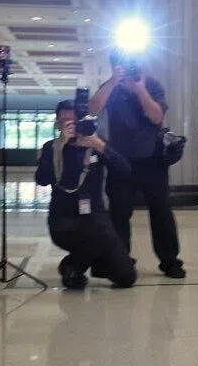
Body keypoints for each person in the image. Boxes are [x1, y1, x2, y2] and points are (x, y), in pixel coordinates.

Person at [88, 54, 186, 279]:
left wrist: (140, 89)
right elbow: (93, 109)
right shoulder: (110, 87)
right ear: (114, 66)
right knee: (118, 213)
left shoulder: (151, 85)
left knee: (161, 211)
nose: (128, 68)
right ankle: (121, 260)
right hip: (119, 161)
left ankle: (170, 261)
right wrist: (113, 82)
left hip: (152, 161)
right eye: (120, 64)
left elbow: (156, 117)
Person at [35, 100, 137, 290]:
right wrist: (59, 148)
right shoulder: (52, 147)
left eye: (72, 120)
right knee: (103, 237)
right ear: (57, 123)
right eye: (63, 120)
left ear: (81, 120)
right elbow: (41, 179)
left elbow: (125, 170)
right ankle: (75, 265)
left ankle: (73, 265)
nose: (68, 124)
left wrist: (100, 146)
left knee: (126, 277)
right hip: (64, 219)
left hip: (95, 217)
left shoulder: (95, 143)